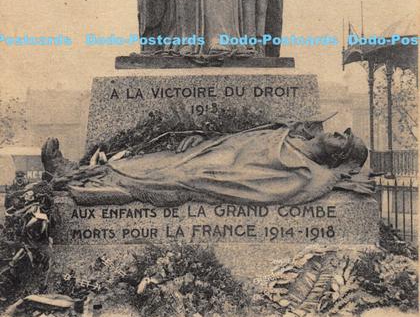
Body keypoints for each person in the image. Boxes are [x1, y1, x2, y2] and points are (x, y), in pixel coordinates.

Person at [63, 125, 373, 207]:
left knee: (174, 175)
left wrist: (334, 177)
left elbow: (294, 189)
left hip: (219, 173)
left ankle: (109, 188)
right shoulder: (287, 133)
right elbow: (239, 139)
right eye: (341, 132)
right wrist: (204, 138)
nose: (336, 133)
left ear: (335, 158)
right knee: (159, 160)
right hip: (215, 151)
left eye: (342, 141)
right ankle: (78, 173)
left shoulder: (309, 172)